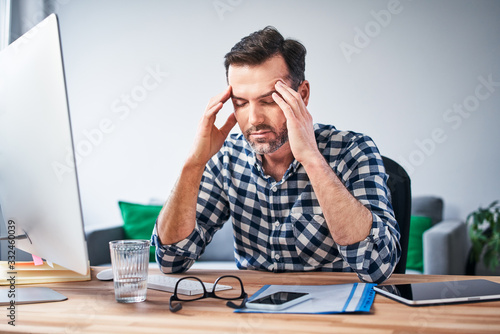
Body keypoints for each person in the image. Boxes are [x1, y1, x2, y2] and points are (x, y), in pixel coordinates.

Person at [151, 26, 400, 284]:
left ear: (301, 95)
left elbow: (377, 266)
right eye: (241, 103)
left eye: (269, 101)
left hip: (337, 316)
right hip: (252, 315)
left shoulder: (353, 151)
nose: (254, 119)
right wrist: (194, 163)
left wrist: (312, 160)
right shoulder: (226, 158)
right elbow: (171, 260)